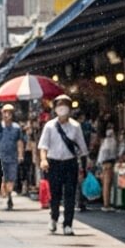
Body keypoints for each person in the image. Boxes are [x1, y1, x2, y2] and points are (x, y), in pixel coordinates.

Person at [38, 94, 87, 235]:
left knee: (70, 195)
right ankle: (54, 217)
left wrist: (84, 167)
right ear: (55, 108)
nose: (62, 108)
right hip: (54, 164)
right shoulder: (49, 126)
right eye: (60, 105)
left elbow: (82, 148)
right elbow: (43, 146)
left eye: (65, 105)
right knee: (55, 193)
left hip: (70, 163)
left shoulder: (76, 126)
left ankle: (68, 224)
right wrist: (43, 160)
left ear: (70, 109)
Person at [0, 104, 24, 211]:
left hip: (12, 157)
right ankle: (5, 195)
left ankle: (9, 196)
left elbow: (19, 142)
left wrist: (20, 155)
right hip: (0, 156)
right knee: (2, 179)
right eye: (5, 112)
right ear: (2, 113)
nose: (7, 114)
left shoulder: (16, 127)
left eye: (9, 112)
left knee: (11, 179)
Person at [97, 125, 120, 212]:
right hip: (108, 164)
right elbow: (112, 153)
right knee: (107, 184)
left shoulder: (105, 141)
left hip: (104, 164)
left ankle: (106, 203)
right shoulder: (111, 141)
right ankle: (106, 204)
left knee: (106, 185)